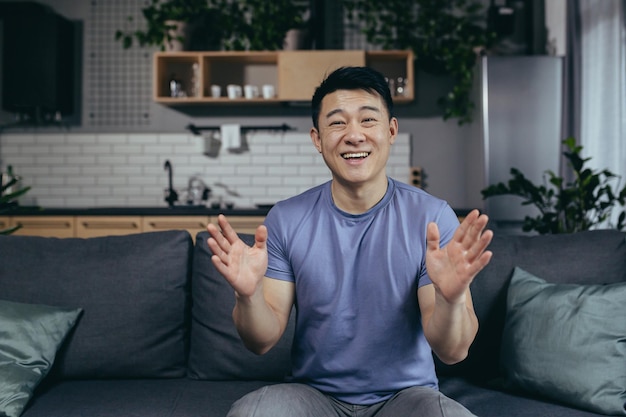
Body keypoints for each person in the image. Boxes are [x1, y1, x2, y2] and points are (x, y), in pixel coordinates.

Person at [206, 66, 493, 417]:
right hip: (313, 396)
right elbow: (260, 341)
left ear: (391, 131)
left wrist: (450, 299)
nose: (354, 135)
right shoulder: (286, 219)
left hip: (405, 398)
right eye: (338, 123)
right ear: (317, 138)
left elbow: (453, 352)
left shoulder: (433, 219)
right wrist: (247, 296)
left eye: (368, 120)